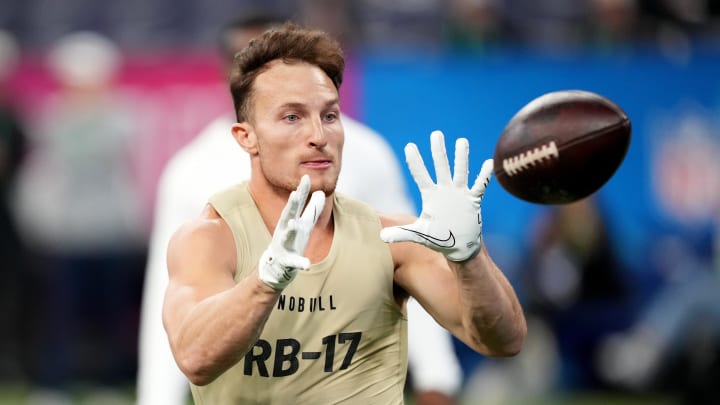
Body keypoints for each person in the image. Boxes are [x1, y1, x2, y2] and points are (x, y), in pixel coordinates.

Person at [161, 22, 526, 403]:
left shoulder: (390, 240)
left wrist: (471, 258)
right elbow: (195, 357)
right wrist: (265, 280)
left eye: (330, 116)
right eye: (292, 117)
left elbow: (504, 340)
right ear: (246, 137)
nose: (319, 135)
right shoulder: (211, 239)